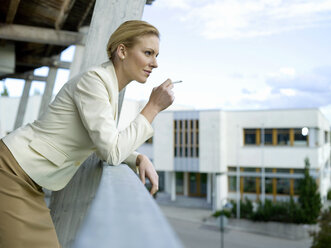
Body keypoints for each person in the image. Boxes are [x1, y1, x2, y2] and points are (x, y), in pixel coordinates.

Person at [0, 20, 174, 247]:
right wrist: (153, 108)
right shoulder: (94, 81)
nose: (155, 63)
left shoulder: (106, 85)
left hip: (28, 180)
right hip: (11, 173)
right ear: (122, 51)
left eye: (156, 55)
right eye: (148, 53)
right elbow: (111, 152)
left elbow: (104, 144)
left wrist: (137, 157)